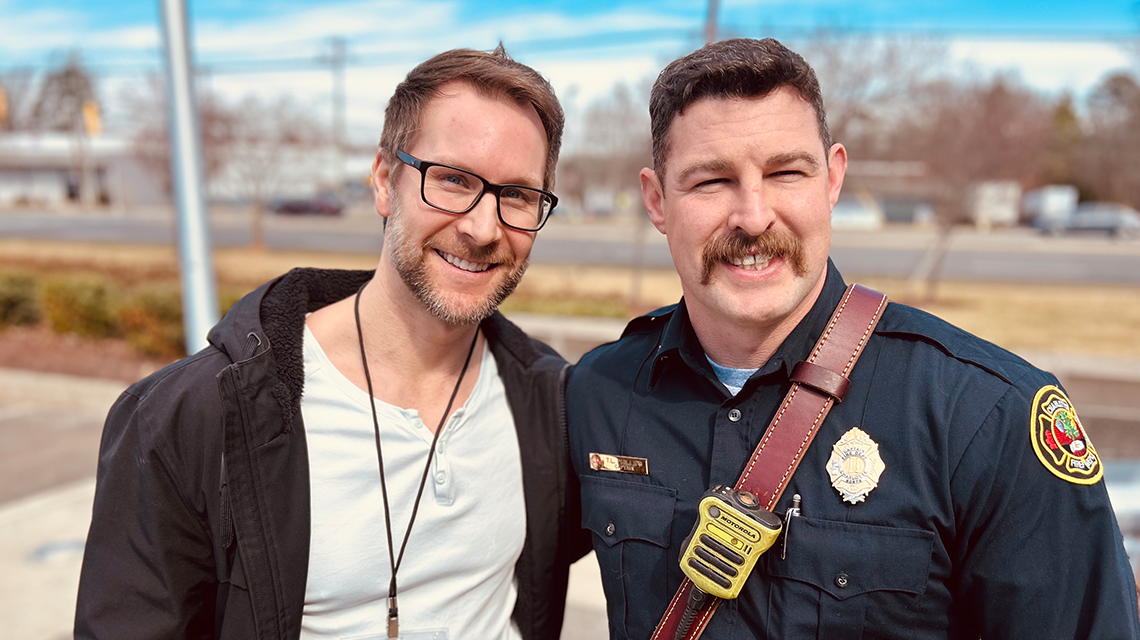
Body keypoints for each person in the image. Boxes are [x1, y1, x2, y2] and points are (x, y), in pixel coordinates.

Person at [566, 38, 1140, 639]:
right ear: (657, 201)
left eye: (786, 172)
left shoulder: (985, 417)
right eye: (711, 181)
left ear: (833, 179)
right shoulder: (600, 392)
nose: (753, 216)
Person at [76, 46, 585, 640]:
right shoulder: (190, 418)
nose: (482, 226)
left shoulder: (552, 403)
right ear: (383, 182)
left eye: (518, 195)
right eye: (450, 180)